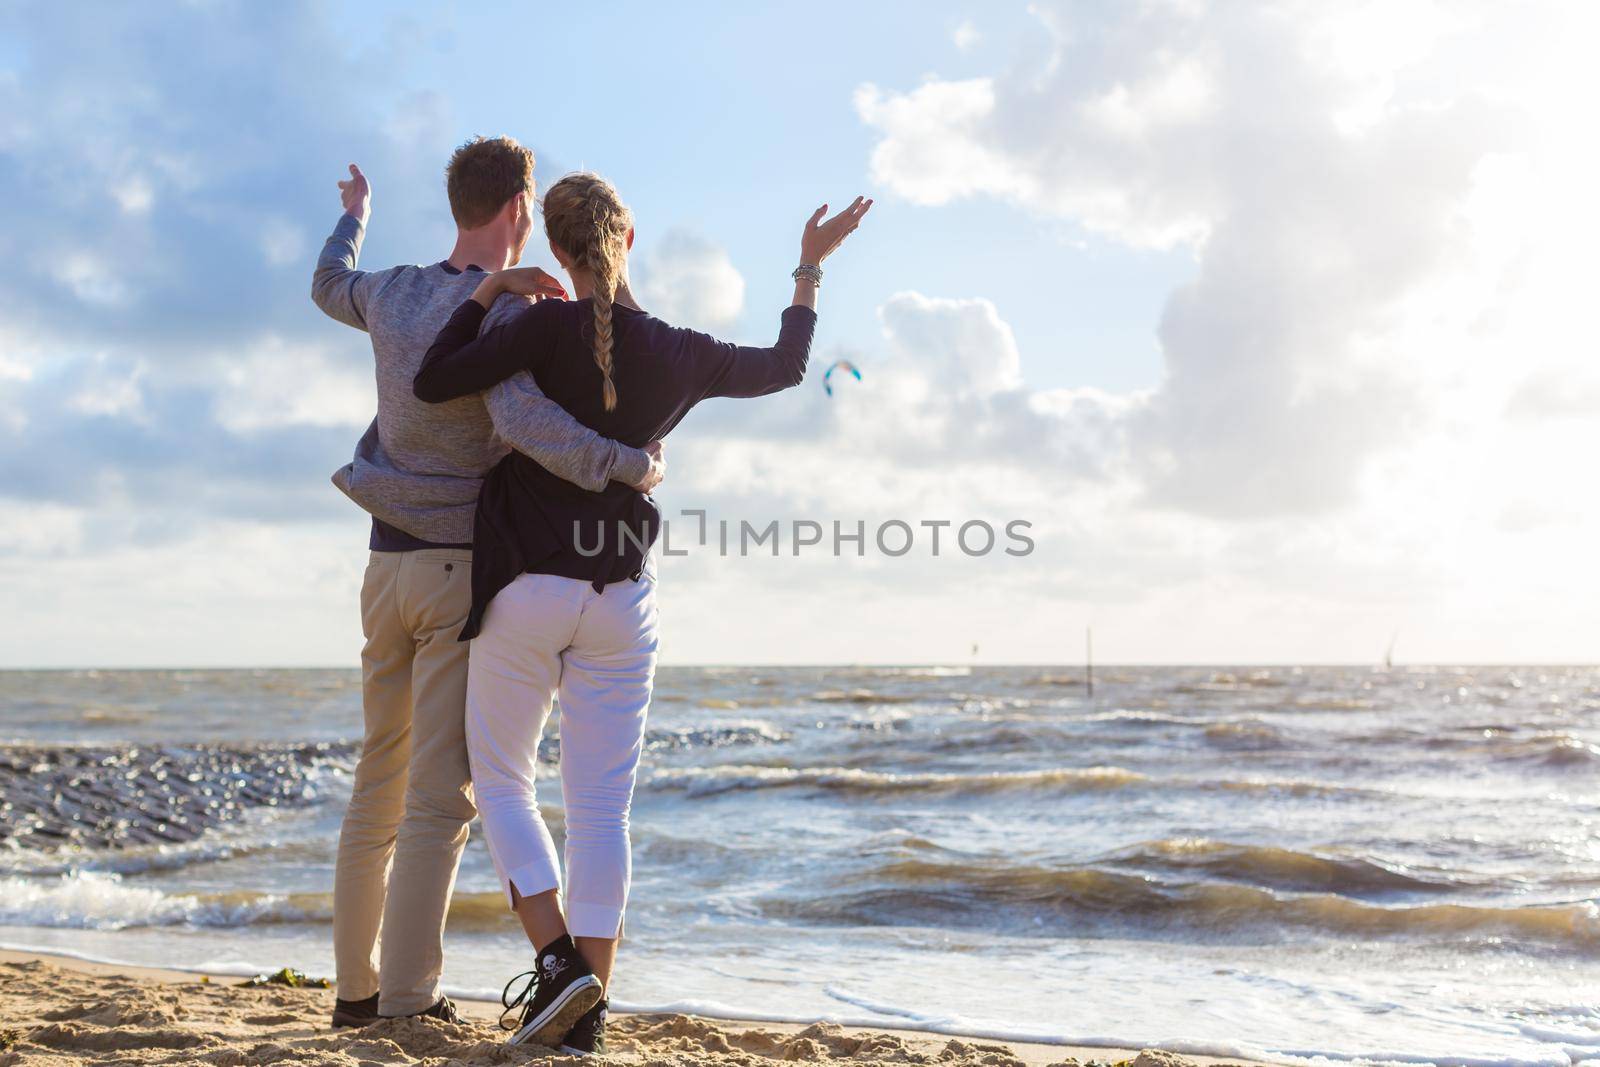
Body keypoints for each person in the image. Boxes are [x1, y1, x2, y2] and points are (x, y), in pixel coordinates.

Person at [412, 172, 870, 1052]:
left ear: (556, 250)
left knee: (504, 782)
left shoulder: (535, 326)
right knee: (601, 811)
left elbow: (436, 380)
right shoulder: (679, 349)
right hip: (621, 600)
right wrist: (808, 270)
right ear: (630, 241)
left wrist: (489, 288)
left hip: (525, 591)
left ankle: (561, 970)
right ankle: (589, 1018)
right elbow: (786, 366)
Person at [309, 138, 667, 1030]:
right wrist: (626, 463)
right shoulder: (514, 318)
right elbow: (534, 416)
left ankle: (353, 991)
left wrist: (354, 215)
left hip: (382, 566)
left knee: (375, 783)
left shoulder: (388, 290)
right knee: (441, 798)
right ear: (517, 211)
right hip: (457, 570)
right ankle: (404, 1000)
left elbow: (326, 282)